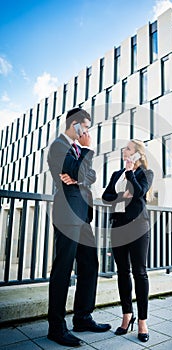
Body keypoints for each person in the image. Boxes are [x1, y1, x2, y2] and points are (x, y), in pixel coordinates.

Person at [47, 107, 111, 347]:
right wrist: (86, 152)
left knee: (90, 264)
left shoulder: (74, 150)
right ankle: (56, 327)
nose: (86, 132)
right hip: (67, 214)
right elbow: (74, 171)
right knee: (63, 269)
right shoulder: (58, 146)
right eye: (85, 126)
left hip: (83, 216)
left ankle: (83, 317)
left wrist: (80, 171)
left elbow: (89, 175)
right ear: (74, 125)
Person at [102, 139, 154, 343]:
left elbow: (139, 192)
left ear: (137, 154)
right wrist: (121, 196)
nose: (124, 151)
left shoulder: (145, 174)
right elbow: (106, 196)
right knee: (122, 272)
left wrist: (130, 172)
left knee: (139, 272)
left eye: (128, 149)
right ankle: (126, 316)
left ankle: (142, 320)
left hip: (138, 226)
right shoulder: (116, 175)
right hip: (118, 226)